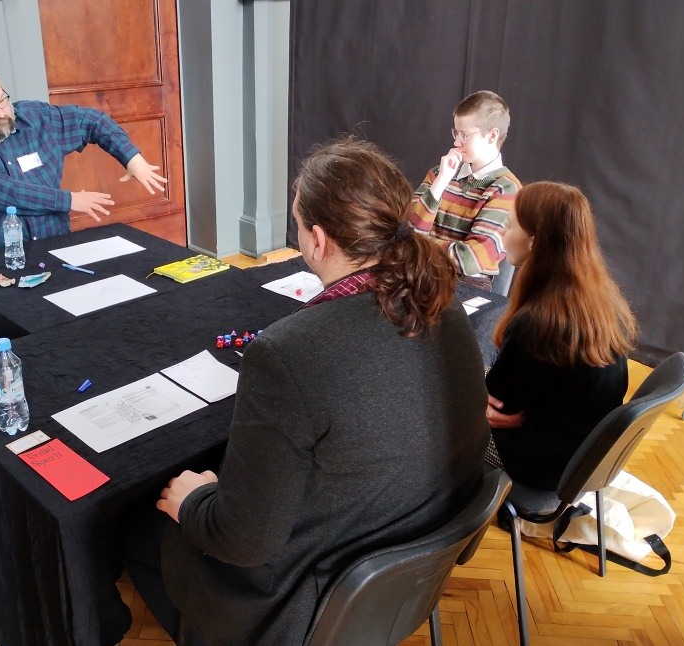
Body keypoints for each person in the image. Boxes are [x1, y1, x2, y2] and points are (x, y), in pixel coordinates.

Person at [124, 137, 490, 645]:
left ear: (318, 240)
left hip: (307, 603)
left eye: (296, 224)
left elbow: (244, 541)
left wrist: (195, 502)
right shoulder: (443, 302)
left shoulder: (286, 352)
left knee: (137, 524)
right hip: (409, 567)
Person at [484, 182, 637, 490]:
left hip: (538, 466)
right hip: (584, 457)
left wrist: (473, 402)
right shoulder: (603, 301)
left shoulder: (536, 324)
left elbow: (499, 409)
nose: (502, 232)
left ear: (534, 243)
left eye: (509, 226)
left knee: (439, 411)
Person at [0, 63, 167, 258]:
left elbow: (92, 121)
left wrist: (132, 158)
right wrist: (69, 200)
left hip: (53, 247)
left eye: (2, 101)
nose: (1, 114)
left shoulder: (36, 117)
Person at [411, 90, 521, 291]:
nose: (456, 142)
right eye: (456, 133)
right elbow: (407, 232)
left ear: (492, 135)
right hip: (419, 275)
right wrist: (441, 181)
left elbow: (469, 260)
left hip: (464, 286)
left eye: (465, 135)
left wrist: (420, 244)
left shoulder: (506, 189)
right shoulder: (440, 173)